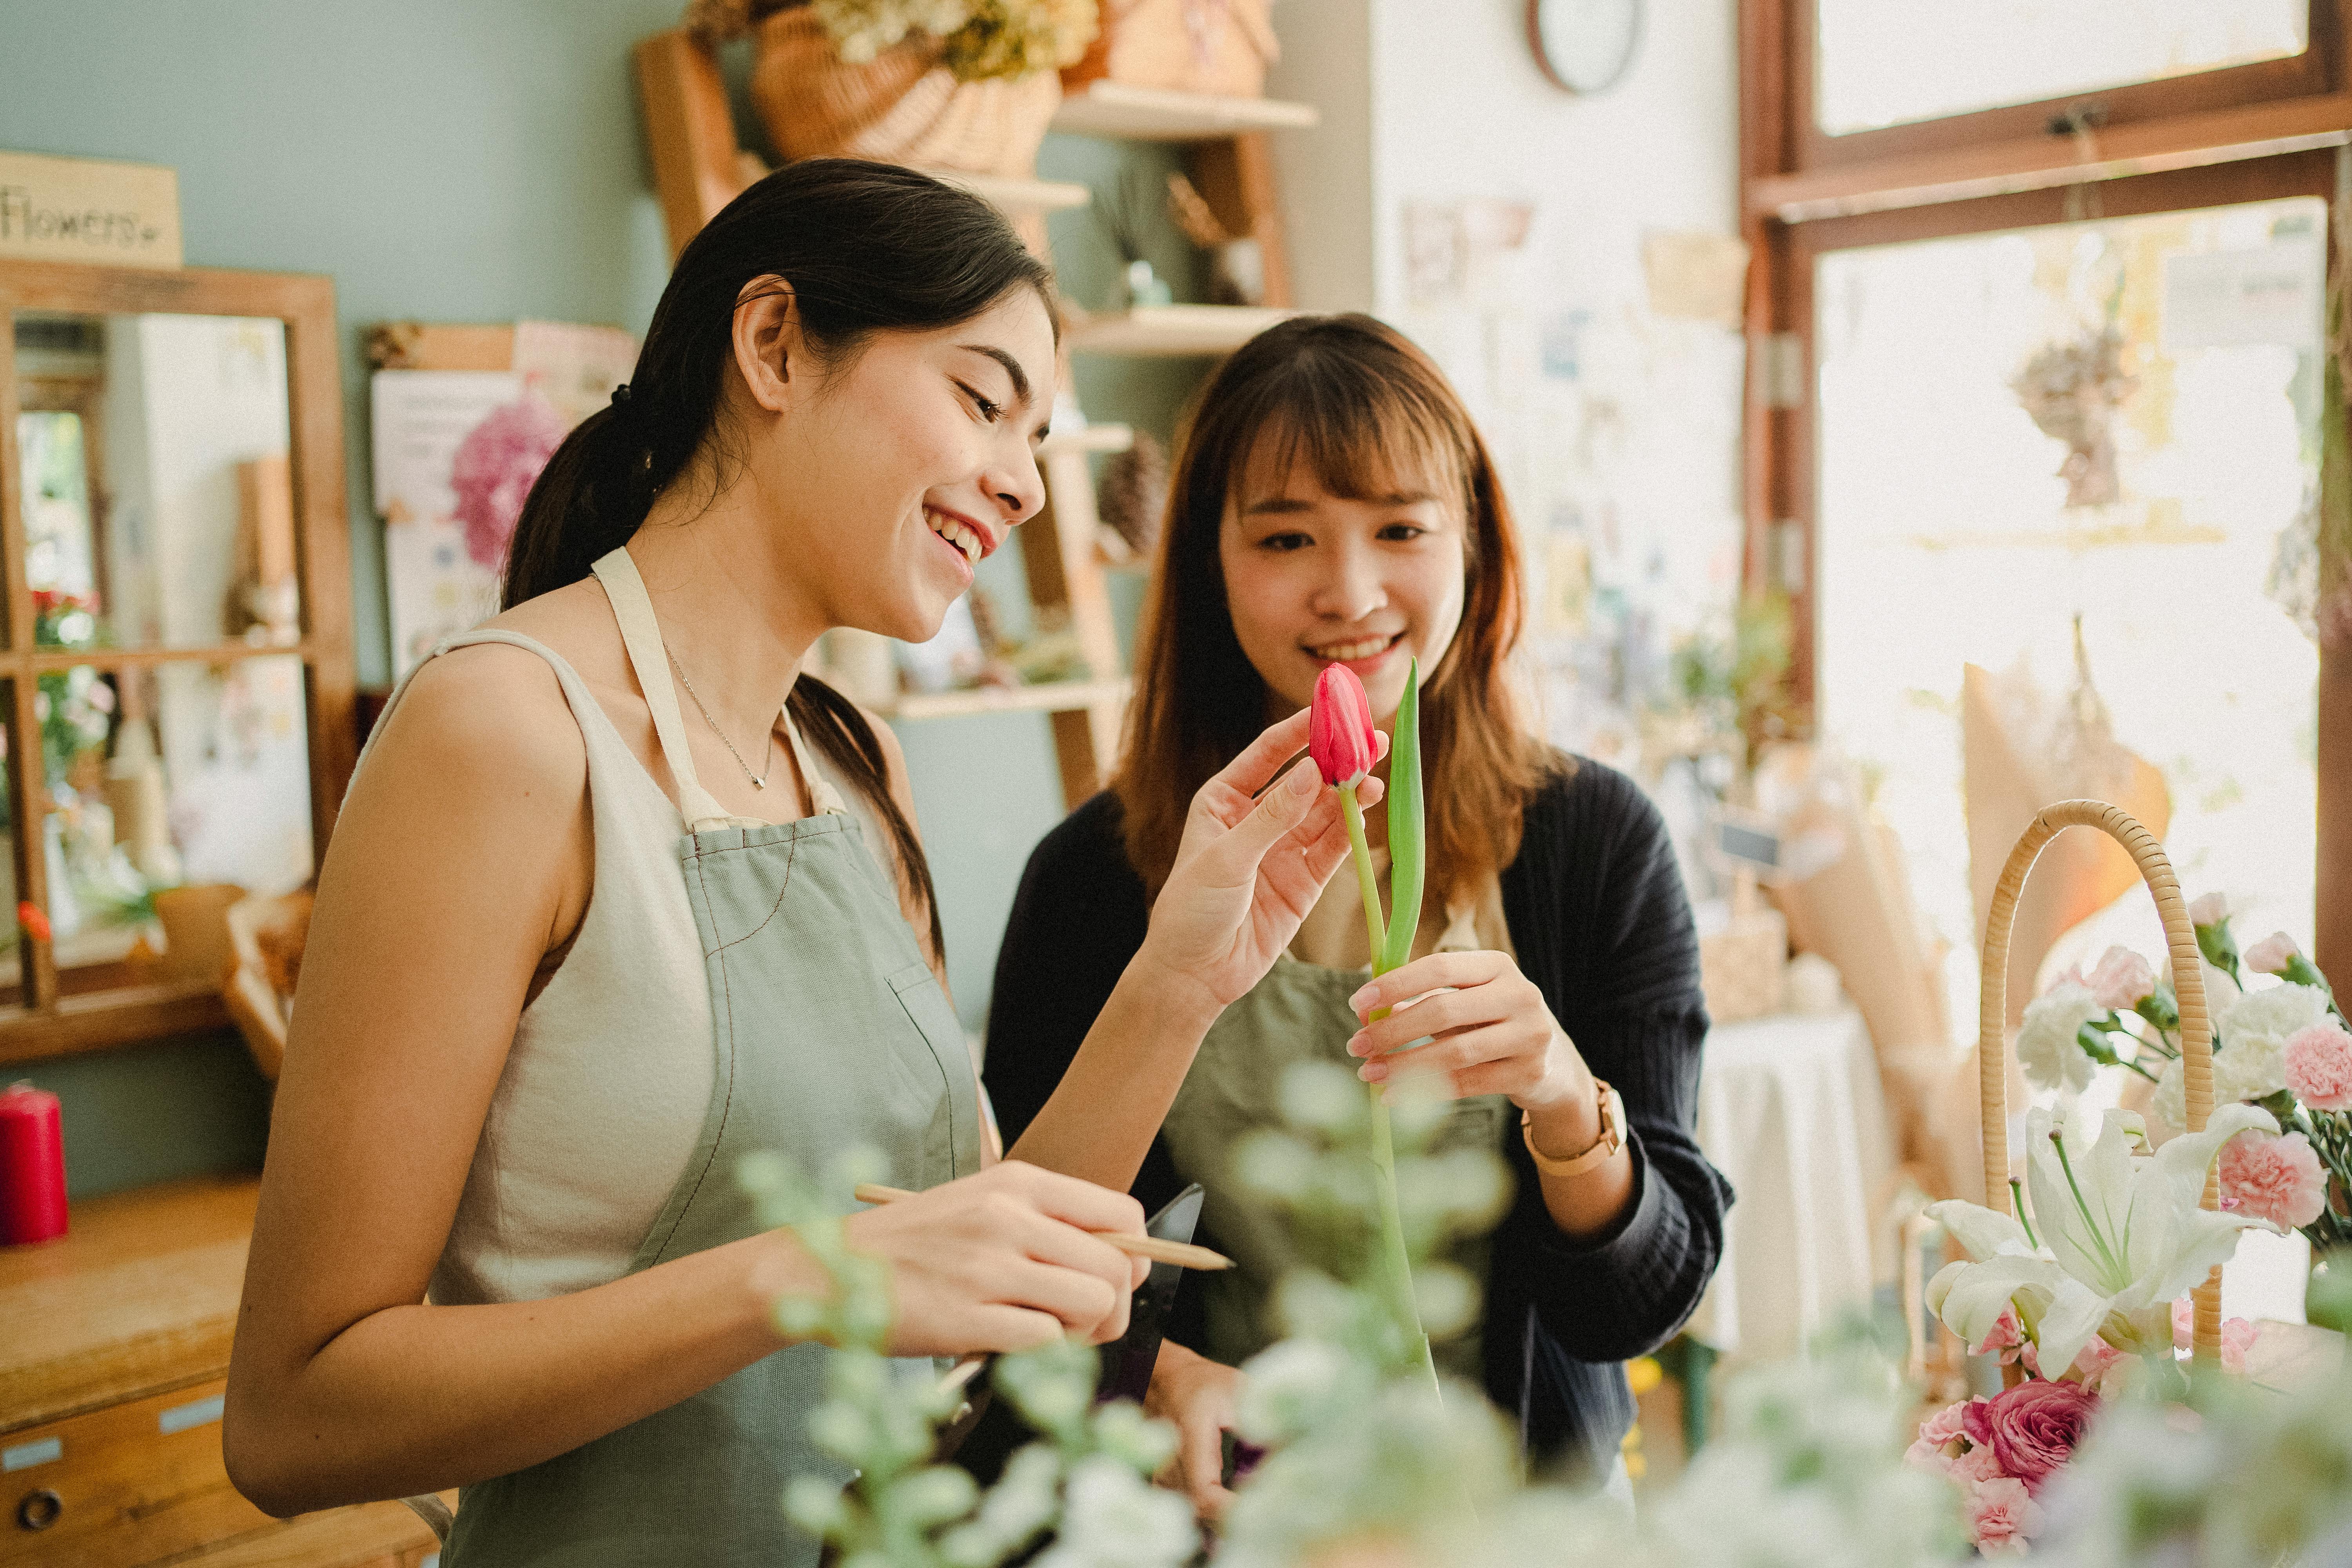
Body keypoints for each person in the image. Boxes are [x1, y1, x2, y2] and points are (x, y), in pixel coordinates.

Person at [222, 163, 1384, 1568]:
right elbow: (292, 1421)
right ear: (774, 345)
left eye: (1038, 434)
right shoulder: (503, 734)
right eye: (981, 398)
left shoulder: (853, 771)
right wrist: (800, 1275)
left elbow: (977, 1270)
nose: (1023, 482)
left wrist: (1179, 982)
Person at [985, 314, 1731, 1517]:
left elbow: (1639, 1304)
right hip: (1231, 1515)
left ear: (1473, 543)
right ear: (1207, 563)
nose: (1351, 591)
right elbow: (1022, 1261)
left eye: (1401, 529)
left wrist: (1558, 1095)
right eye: (1286, 538)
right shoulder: (1095, 876)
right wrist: (1167, 1373)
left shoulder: (1593, 845)